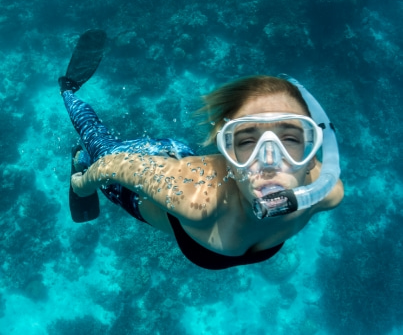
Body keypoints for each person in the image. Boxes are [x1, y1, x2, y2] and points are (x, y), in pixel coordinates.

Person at [61, 30, 344, 270]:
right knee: (100, 148)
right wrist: (82, 185)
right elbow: (112, 166)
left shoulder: (325, 191)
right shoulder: (197, 198)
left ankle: (81, 157)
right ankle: (68, 91)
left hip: (180, 160)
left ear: (311, 159)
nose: (269, 160)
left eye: (290, 139)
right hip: (156, 170)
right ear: (227, 156)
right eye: (247, 141)